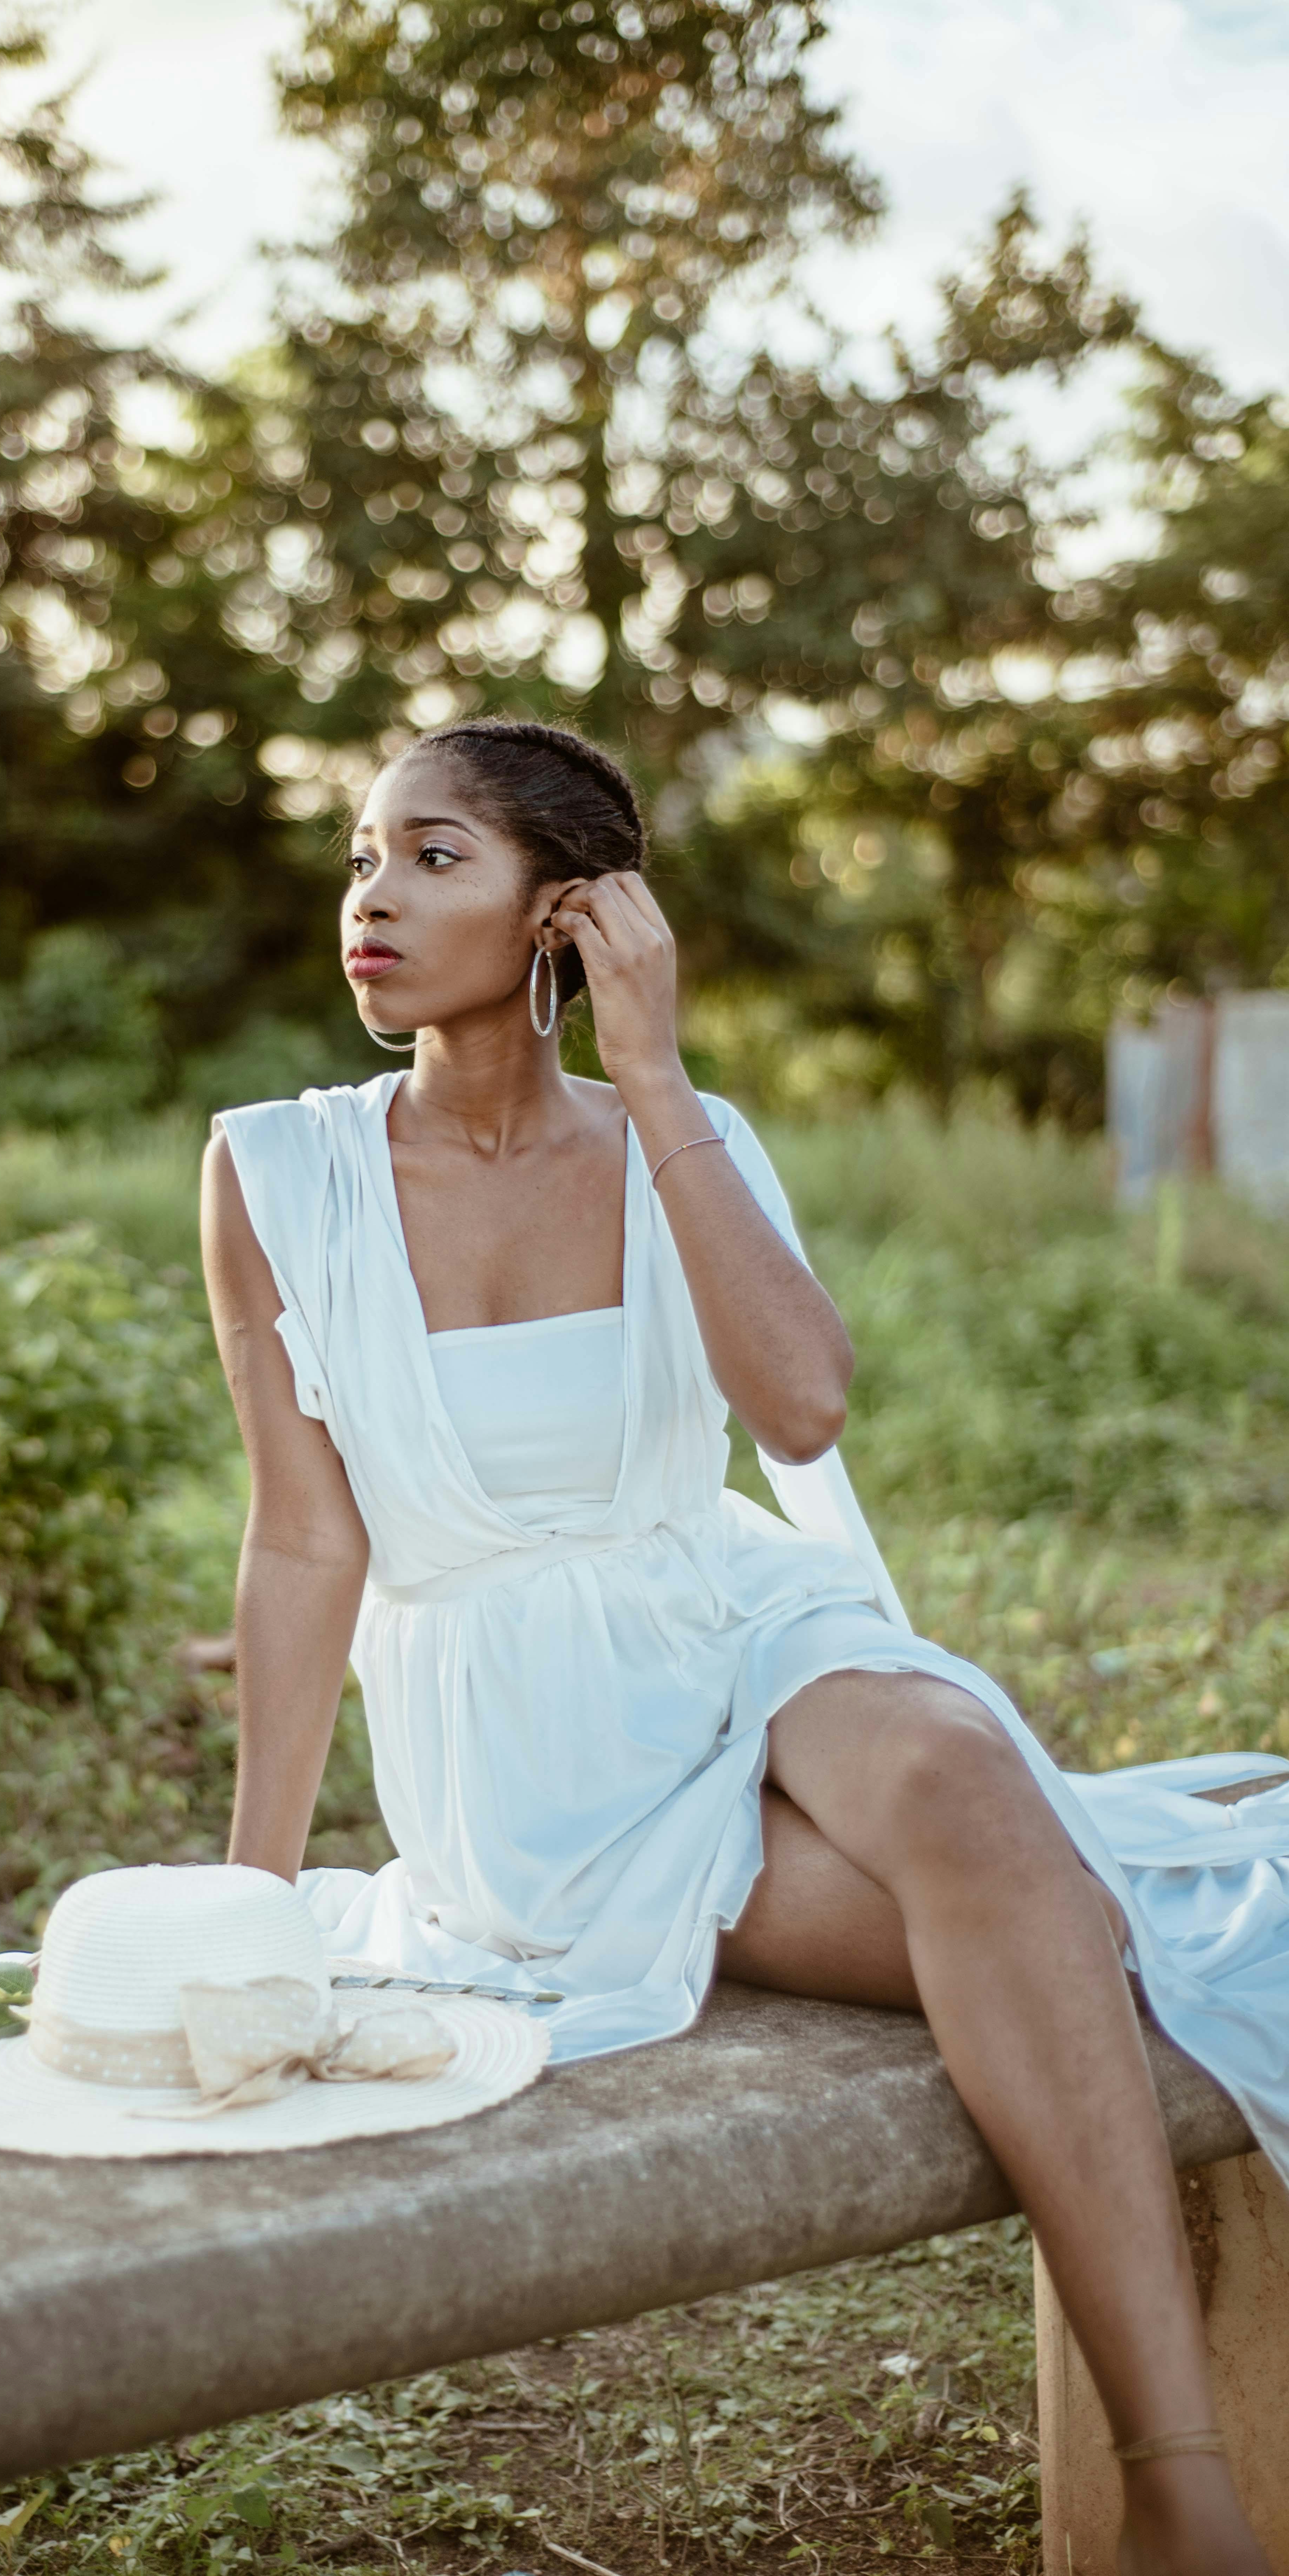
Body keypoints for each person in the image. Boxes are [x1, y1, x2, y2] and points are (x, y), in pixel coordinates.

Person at [202, 716, 1289, 2576]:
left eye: (433, 857)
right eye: (362, 858)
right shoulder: (271, 1175)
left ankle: (1177, 2480)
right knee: (1061, 1924)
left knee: (954, 1769)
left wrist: (660, 1075)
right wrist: (248, 1903)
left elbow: (796, 1414)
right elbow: (309, 1544)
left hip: (724, 1610)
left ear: (570, 915)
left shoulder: (676, 1138)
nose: (372, 899)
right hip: (532, 1755)